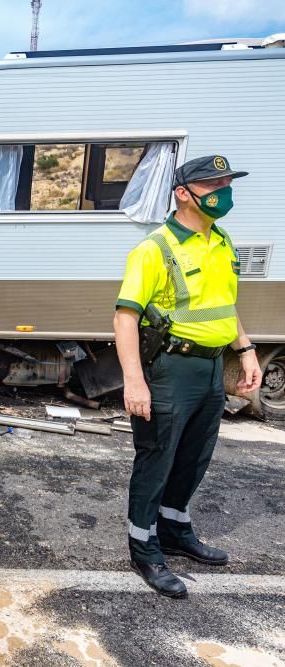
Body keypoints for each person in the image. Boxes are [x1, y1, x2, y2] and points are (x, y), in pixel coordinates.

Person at [113, 155, 262, 598]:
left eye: (227, 182)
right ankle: (144, 547)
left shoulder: (222, 241)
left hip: (212, 366)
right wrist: (134, 382)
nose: (224, 191)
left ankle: (176, 530)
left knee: (195, 457)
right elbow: (125, 318)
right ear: (184, 193)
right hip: (169, 369)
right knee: (157, 457)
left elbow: (224, 306)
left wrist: (246, 350)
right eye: (214, 184)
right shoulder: (154, 248)